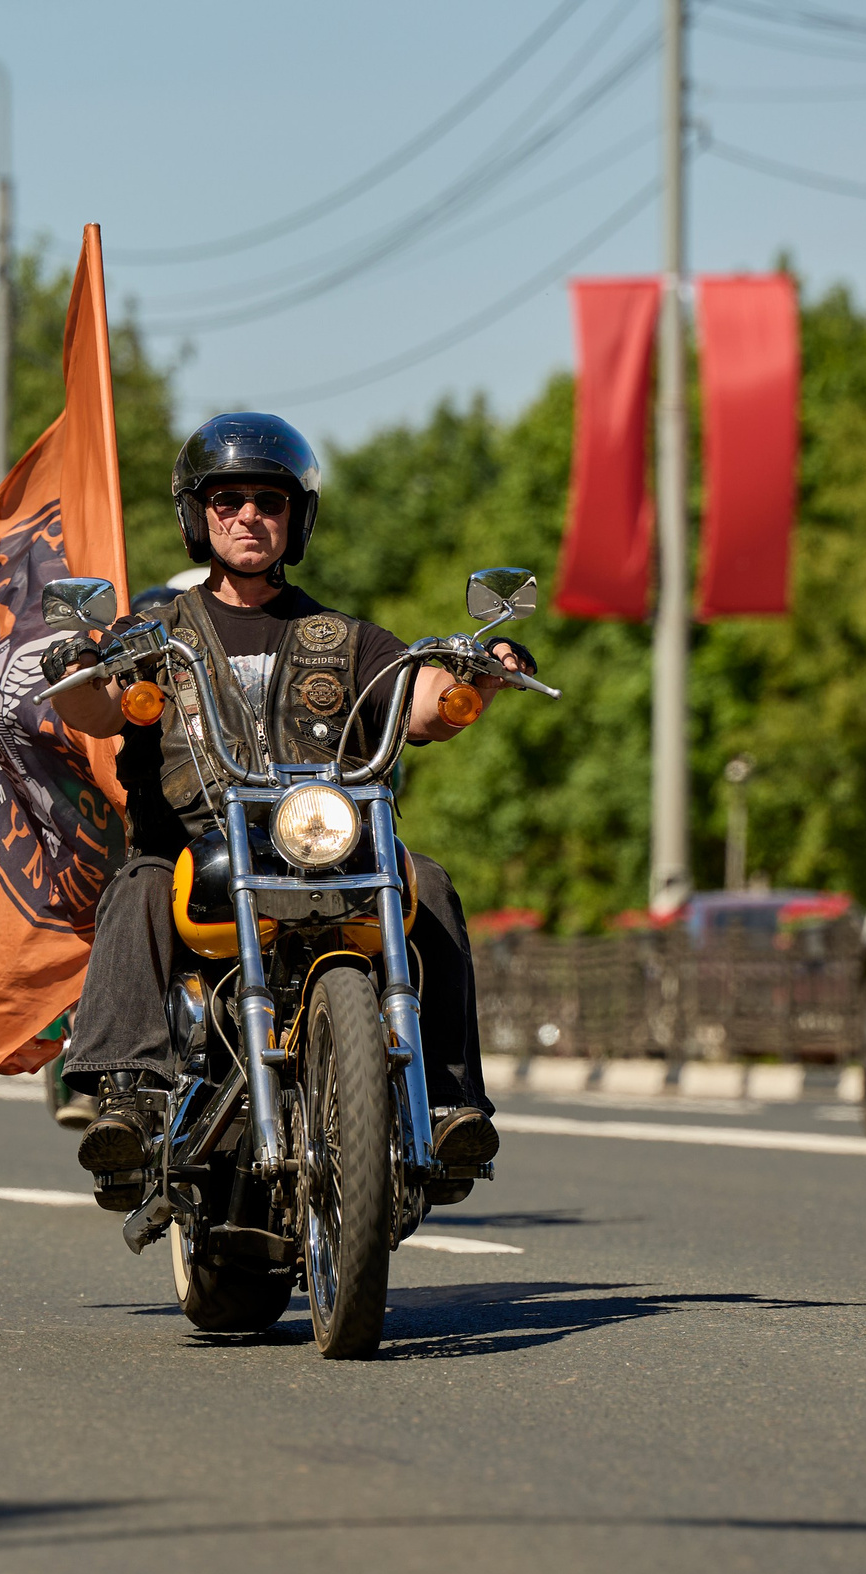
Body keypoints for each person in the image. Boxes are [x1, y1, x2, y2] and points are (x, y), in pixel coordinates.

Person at [50, 412, 536, 1206]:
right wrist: (78, 663)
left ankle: (446, 1102)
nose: (248, 516)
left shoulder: (344, 638)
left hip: (326, 849)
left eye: (268, 501)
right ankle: (129, 1101)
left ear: (295, 516)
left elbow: (418, 706)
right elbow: (98, 711)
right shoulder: (152, 633)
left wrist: (473, 679)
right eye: (227, 499)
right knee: (135, 886)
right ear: (195, 515)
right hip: (196, 852)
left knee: (433, 888)